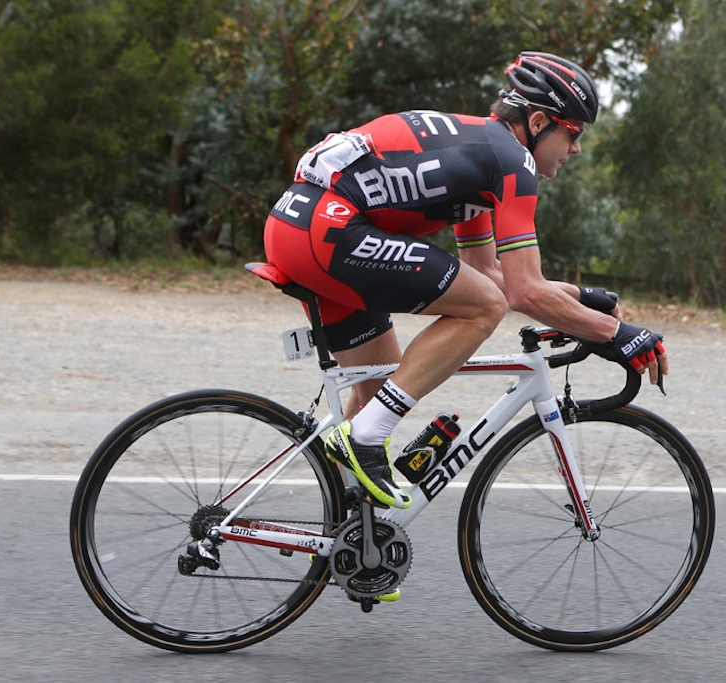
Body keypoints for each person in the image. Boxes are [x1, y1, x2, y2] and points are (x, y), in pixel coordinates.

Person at [263, 51, 667, 514]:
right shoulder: (513, 161)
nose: (576, 149)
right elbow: (516, 294)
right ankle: (364, 438)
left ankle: (352, 538)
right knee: (482, 311)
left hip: (301, 228)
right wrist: (619, 335)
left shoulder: (479, 155)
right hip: (329, 231)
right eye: (573, 132)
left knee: (383, 384)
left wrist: (582, 298)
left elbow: (489, 274)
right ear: (538, 122)